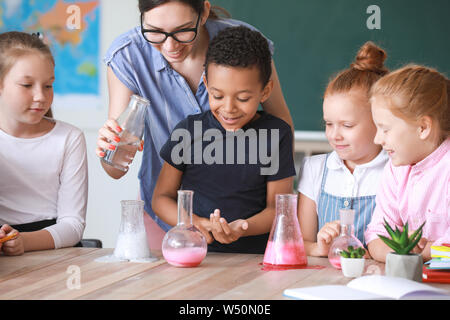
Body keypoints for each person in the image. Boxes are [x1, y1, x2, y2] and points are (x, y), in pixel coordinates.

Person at [97, 0, 293, 249]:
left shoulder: (245, 44)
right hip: (167, 216)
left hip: (251, 230)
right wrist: (109, 152)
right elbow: (116, 167)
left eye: (182, 30)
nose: (170, 45)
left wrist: (253, 217)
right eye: (154, 32)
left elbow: (280, 124)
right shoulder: (127, 55)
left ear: (204, 12)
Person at [152, 26, 296, 253]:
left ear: (265, 91)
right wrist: (194, 222)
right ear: (206, 85)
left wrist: (241, 228)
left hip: (256, 259)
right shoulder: (189, 131)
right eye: (217, 96)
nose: (229, 108)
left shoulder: (276, 135)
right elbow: (161, 198)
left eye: (243, 98)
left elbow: (278, 210)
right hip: (196, 256)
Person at [297, 42, 390, 257]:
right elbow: (303, 241)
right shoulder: (315, 169)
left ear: (378, 121)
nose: (334, 135)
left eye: (347, 126)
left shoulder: (396, 171)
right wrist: (319, 247)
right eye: (329, 124)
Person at [0, 31, 88, 255]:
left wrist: (23, 242)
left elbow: (73, 225)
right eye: (27, 85)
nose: (40, 96)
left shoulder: (69, 138)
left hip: (53, 253)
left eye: (48, 86)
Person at [365, 65, 450, 262]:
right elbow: (376, 234)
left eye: (385, 129)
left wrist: (414, 250)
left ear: (423, 127)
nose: (377, 139)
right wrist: (402, 252)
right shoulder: (396, 169)